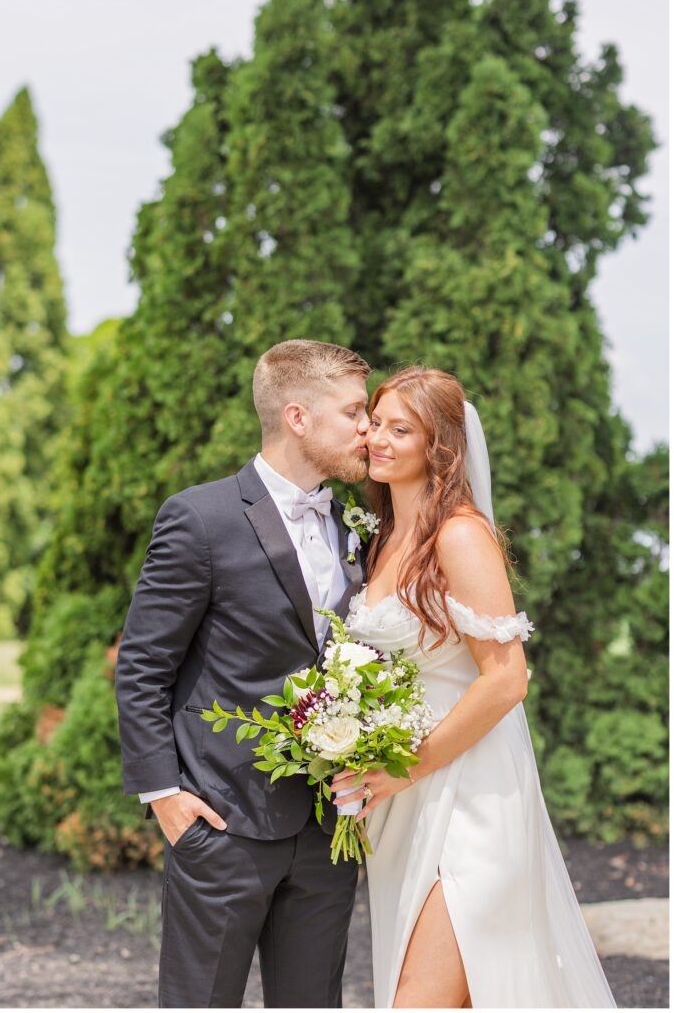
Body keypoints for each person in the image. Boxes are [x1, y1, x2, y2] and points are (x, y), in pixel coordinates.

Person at [333, 367, 617, 1009]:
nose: (377, 438)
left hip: (473, 794)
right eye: (376, 422)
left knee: (422, 998)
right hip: (402, 803)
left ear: (440, 448)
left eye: (400, 428)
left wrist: (403, 766)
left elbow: (507, 679)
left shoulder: (459, 535)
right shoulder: (378, 541)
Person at [115, 339, 371, 1008]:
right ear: (297, 417)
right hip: (220, 822)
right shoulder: (200, 518)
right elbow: (143, 663)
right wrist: (163, 796)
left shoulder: (355, 523)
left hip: (327, 830)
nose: (365, 428)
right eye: (353, 412)